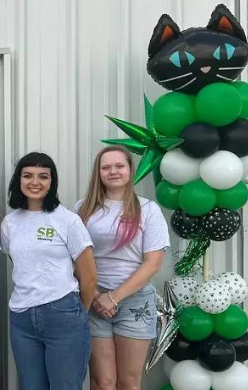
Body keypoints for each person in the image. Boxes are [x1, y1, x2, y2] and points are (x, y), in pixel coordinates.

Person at [1, 152, 97, 390]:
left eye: (43, 176)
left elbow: (89, 276)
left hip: (62, 314)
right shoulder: (10, 222)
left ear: (52, 182)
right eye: (28, 176)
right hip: (21, 318)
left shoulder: (67, 220)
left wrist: (76, 314)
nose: (35, 182)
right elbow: (20, 262)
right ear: (18, 180)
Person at [75, 146, 169, 390]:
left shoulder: (148, 210)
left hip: (135, 302)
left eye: (119, 166)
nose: (113, 171)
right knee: (103, 382)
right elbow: (73, 259)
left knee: (128, 382)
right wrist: (96, 296)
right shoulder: (82, 209)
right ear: (98, 172)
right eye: (106, 167)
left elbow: (153, 262)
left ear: (130, 170)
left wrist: (114, 298)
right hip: (93, 300)